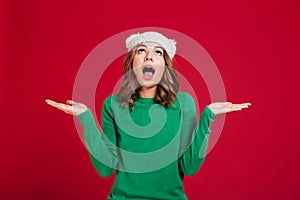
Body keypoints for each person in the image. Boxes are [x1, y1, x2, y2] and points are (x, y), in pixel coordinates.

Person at [45, 31, 251, 200]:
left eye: (158, 52)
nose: (149, 56)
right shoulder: (113, 104)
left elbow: (189, 167)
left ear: (165, 67)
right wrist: (85, 118)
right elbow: (105, 169)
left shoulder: (184, 103)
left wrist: (208, 117)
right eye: (141, 50)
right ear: (131, 63)